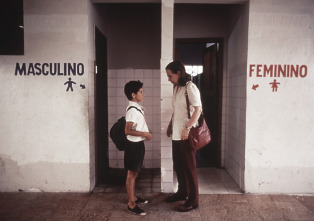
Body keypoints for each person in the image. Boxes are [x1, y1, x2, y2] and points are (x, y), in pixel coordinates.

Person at [164, 61, 202, 212]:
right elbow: (177, 111)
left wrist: (187, 127)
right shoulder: (176, 88)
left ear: (178, 73)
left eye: (170, 75)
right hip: (176, 133)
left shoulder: (190, 87)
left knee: (189, 167)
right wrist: (170, 126)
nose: (168, 79)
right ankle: (182, 193)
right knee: (179, 165)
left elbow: (197, 110)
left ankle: (193, 200)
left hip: (186, 134)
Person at [124, 80, 153, 216]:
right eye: (141, 92)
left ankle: (134, 197)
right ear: (133, 95)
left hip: (137, 144)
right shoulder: (132, 111)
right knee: (131, 175)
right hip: (133, 146)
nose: (144, 94)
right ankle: (131, 204)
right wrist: (145, 134)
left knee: (134, 174)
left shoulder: (135, 108)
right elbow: (127, 130)